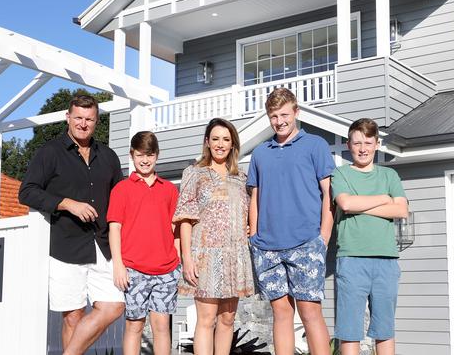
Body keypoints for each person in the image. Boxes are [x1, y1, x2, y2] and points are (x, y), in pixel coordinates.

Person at [18, 94, 124, 355]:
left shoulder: (109, 156)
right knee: (73, 316)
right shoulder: (49, 152)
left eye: (89, 119)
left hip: (102, 245)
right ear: (68, 117)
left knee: (115, 305)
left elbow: (121, 200)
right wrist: (67, 203)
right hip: (65, 245)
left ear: (96, 121)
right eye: (78, 117)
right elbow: (27, 192)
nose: (83, 124)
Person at [247, 87, 335, 355]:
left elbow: (328, 194)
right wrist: (253, 237)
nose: (279, 121)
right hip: (267, 247)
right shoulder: (261, 153)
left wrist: (323, 237)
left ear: (296, 112)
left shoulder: (315, 145)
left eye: (284, 114)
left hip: (307, 243)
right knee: (281, 312)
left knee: (310, 312)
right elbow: (255, 197)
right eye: (273, 116)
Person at [174, 118, 255, 355]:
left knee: (228, 320)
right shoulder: (194, 172)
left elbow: (248, 211)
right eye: (216, 139)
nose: (221, 144)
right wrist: (186, 257)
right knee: (206, 320)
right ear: (207, 142)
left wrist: (249, 227)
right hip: (205, 257)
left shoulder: (241, 177)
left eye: (226, 139)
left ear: (233, 144)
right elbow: (185, 219)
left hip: (235, 257)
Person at [331, 118, 408, 355]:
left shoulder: (389, 176)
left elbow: (401, 210)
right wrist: (385, 199)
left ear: (376, 144)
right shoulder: (341, 174)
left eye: (368, 142)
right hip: (352, 259)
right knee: (349, 330)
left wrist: (360, 205)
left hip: (386, 260)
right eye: (357, 143)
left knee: (384, 329)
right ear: (348, 145)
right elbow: (345, 203)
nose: (362, 148)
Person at [107, 131, 181, 355]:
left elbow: (175, 228)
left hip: (166, 270)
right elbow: (114, 228)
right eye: (140, 155)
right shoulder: (121, 189)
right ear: (132, 155)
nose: (145, 160)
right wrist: (118, 266)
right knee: (134, 324)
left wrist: (177, 260)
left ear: (157, 155)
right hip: (134, 269)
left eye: (149, 154)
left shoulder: (169, 189)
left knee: (161, 326)